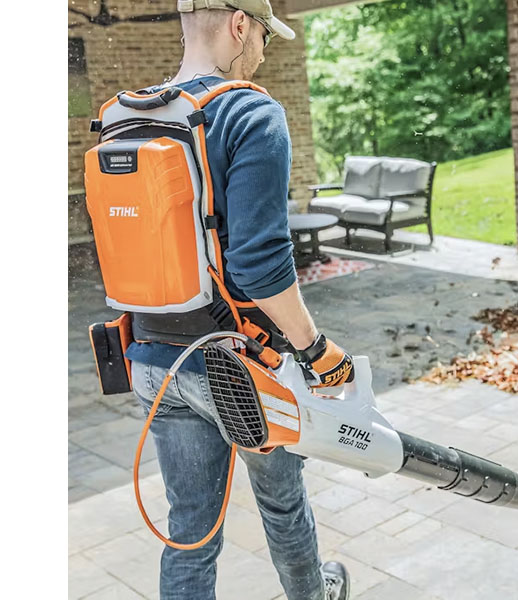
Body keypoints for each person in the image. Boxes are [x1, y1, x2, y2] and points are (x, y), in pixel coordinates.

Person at [124, 2, 352, 598]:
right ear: (240, 24)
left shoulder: (128, 118)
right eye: (264, 37)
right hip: (240, 368)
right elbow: (260, 265)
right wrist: (315, 349)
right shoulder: (250, 111)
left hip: (152, 358)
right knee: (282, 505)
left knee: (190, 529)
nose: (263, 53)